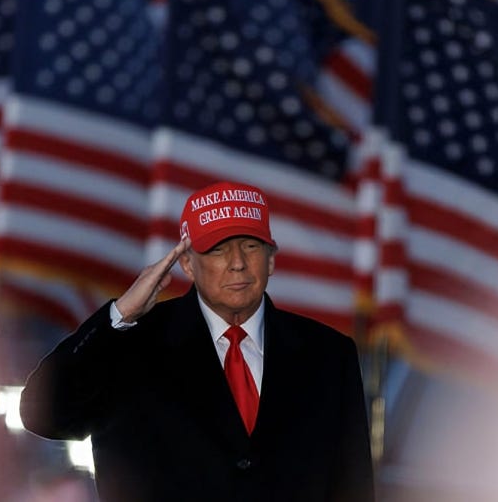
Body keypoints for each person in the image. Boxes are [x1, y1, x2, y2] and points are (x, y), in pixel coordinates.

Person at [19, 181, 375, 502]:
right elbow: (42, 413)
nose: (237, 263)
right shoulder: (130, 344)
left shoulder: (328, 355)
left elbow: (353, 486)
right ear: (187, 264)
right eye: (218, 250)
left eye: (251, 246)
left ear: (272, 261)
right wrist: (120, 314)